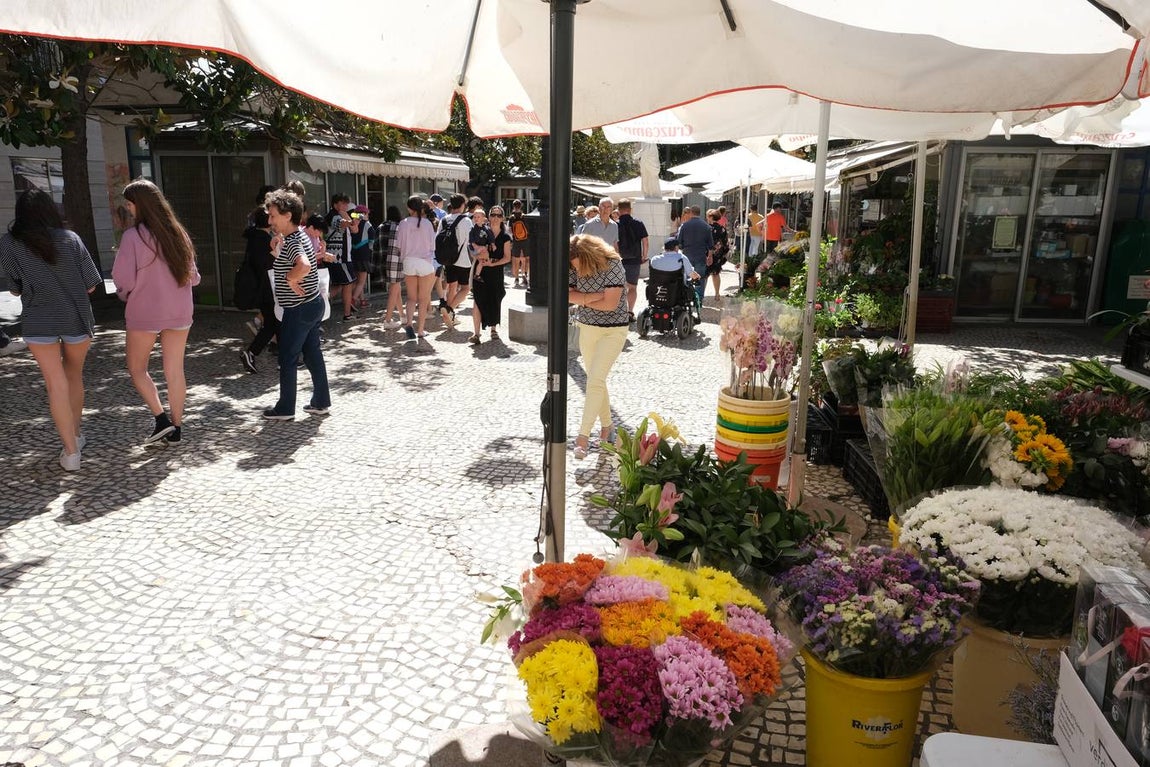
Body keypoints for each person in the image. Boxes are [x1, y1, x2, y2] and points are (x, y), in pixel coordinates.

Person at [0, 189, 101, 470]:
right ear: (50, 210)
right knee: (74, 377)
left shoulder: (8, 243)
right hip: (76, 318)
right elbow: (92, 284)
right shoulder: (71, 239)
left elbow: (15, 289)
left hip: (38, 321)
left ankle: (70, 453)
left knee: (55, 384)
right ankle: (77, 435)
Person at [112, 179, 201, 445]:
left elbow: (123, 280)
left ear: (139, 205)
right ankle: (176, 427)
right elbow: (194, 277)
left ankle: (160, 418)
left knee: (138, 369)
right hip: (179, 310)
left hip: (145, 310)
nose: (128, 209)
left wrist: (125, 294)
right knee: (175, 370)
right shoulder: (178, 233)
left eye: (130, 204)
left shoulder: (132, 236)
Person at [261, 188, 330, 420]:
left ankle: (285, 408)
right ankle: (320, 401)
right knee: (312, 354)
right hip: (311, 305)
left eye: (273, 216)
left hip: (299, 309)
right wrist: (275, 251)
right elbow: (293, 260)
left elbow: (304, 265)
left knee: (287, 358)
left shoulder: (294, 241)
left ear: (287, 215)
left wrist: (291, 277)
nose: (269, 220)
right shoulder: (297, 236)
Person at [568, 233, 629, 461]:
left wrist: (582, 298)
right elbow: (567, 294)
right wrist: (592, 297)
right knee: (597, 380)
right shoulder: (572, 263)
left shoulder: (613, 263)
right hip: (588, 328)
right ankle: (607, 428)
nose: (576, 270)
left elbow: (611, 304)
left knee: (593, 381)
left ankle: (582, 437)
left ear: (588, 257)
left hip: (614, 330)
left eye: (578, 265)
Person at [240, 206, 276, 374]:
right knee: (274, 323)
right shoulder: (263, 240)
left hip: (260, 287)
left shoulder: (255, 237)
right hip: (266, 288)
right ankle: (252, 352)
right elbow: (268, 265)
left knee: (273, 323)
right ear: (268, 221)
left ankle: (254, 353)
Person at [396, 194, 437, 340]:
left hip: (409, 261)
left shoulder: (403, 223)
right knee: (424, 298)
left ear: (408, 208)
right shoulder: (427, 224)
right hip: (425, 262)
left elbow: (399, 246)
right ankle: (420, 330)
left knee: (411, 297)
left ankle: (409, 324)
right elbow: (433, 245)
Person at [470, 206, 510, 344]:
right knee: (477, 300)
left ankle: (493, 329)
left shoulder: (505, 237)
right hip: (480, 270)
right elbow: (470, 247)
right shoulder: (481, 231)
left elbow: (507, 258)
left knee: (494, 299)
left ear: (503, 218)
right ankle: (476, 334)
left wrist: (492, 264)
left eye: (499, 215)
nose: (495, 217)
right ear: (489, 216)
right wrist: (478, 254)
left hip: (495, 271)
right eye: (493, 214)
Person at [439, 193, 473, 330]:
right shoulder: (466, 221)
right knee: (465, 288)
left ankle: (450, 316)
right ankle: (449, 309)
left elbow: (438, 238)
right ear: (463, 205)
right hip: (463, 260)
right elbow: (471, 241)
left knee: (452, 286)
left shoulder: (444, 220)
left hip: (448, 260)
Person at [323, 193, 360, 321]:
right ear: (335, 204)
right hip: (339, 257)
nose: (345, 205)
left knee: (338, 285)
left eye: (346, 203)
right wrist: (350, 220)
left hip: (340, 257)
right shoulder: (332, 216)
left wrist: (350, 218)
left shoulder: (340, 214)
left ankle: (321, 300)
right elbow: (343, 224)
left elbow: (355, 230)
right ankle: (347, 314)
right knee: (348, 284)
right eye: (342, 203)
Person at [615, 198, 649, 319]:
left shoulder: (615, 224)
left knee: (619, 287)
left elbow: (614, 243)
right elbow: (645, 241)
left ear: (618, 210)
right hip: (635, 259)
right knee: (632, 287)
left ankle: (619, 312)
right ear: (630, 209)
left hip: (618, 259)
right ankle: (630, 312)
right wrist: (644, 256)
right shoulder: (638, 223)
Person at [373, 205, 404, 330]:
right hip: (394, 261)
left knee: (396, 289)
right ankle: (388, 319)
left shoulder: (380, 226)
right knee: (394, 288)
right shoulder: (398, 227)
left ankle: (402, 315)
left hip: (382, 261)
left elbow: (376, 246)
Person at [676, 205, 713, 305]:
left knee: (686, 277)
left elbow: (679, 242)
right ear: (699, 213)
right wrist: (710, 256)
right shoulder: (706, 226)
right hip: (700, 255)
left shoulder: (684, 226)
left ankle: (687, 298)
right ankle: (698, 300)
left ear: (691, 213)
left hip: (687, 255)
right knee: (700, 278)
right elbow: (710, 244)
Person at [348, 204, 374, 310]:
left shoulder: (351, 223)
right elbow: (372, 240)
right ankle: (352, 300)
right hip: (364, 254)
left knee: (358, 280)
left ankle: (362, 301)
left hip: (353, 253)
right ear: (364, 214)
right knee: (362, 281)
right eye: (367, 213)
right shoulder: (367, 224)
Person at [706, 208, 731, 301]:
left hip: (706, 253)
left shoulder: (706, 228)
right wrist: (723, 253)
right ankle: (717, 294)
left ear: (711, 217)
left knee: (705, 275)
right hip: (718, 254)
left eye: (708, 216)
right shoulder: (722, 229)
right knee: (716, 274)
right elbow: (726, 243)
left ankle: (702, 295)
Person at [508, 199, 530, 288]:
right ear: (521, 206)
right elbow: (528, 229)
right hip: (525, 240)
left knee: (516, 260)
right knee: (526, 259)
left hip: (516, 241)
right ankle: (525, 274)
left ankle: (516, 278)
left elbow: (509, 230)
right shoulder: (525, 216)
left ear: (513, 206)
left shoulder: (512, 217)